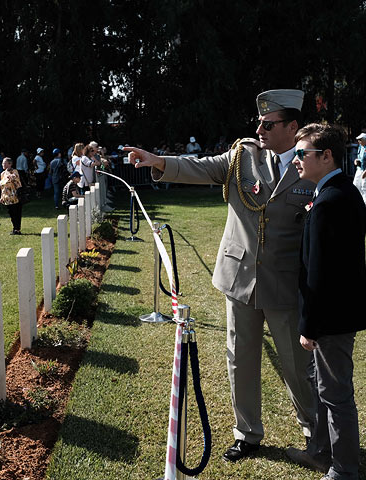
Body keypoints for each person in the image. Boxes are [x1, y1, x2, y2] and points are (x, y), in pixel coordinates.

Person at [127, 89, 317, 462]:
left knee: (296, 364)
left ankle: (314, 432)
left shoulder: (310, 166)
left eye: (269, 123)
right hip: (240, 276)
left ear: (292, 127)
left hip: (285, 281)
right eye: (259, 122)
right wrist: (159, 161)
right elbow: (203, 167)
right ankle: (247, 433)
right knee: (240, 358)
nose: (260, 128)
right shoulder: (242, 156)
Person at [285, 124, 366, 480]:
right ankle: (320, 451)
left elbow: (320, 272)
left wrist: (310, 326)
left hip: (331, 318)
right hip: (337, 312)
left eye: (303, 153)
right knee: (322, 385)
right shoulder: (340, 190)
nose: (297, 159)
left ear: (326, 155)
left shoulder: (331, 199)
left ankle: (344, 469)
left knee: (335, 395)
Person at [0, 157, 23, 234]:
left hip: (14, 197)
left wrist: (12, 177)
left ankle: (17, 229)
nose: (3, 164)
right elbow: (2, 187)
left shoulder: (14, 172)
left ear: (10, 164)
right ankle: (14, 228)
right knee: (11, 213)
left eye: (4, 163)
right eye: (3, 163)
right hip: (7, 198)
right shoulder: (2, 174)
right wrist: (1, 197)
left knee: (16, 213)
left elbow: (18, 183)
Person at [354, 133, 366, 204]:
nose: (359, 141)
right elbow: (359, 157)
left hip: (365, 170)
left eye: (360, 140)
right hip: (359, 169)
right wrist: (356, 160)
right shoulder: (360, 147)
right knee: (356, 185)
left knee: (364, 187)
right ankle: (358, 203)